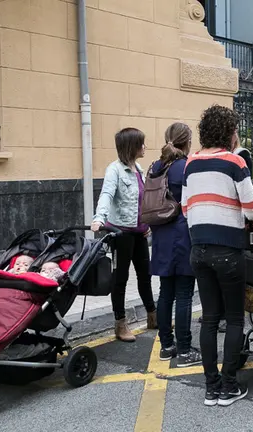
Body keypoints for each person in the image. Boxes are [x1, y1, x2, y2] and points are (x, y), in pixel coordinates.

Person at [183, 105, 253, 407]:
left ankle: (211, 387)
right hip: (228, 250)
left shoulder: (190, 164)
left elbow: (186, 208)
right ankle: (228, 386)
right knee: (234, 319)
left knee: (209, 319)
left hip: (198, 249)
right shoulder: (234, 162)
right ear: (229, 133)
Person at [91, 128, 157, 343]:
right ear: (132, 146)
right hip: (121, 233)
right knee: (121, 279)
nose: (145, 147)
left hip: (139, 232)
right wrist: (99, 218)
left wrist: (147, 222)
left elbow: (142, 200)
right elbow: (107, 194)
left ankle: (152, 317)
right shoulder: (115, 170)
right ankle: (120, 324)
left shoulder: (137, 168)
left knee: (145, 275)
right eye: (141, 144)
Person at [149, 122, 203, 367]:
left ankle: (166, 345)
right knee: (183, 294)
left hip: (160, 234)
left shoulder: (155, 166)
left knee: (165, 293)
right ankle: (184, 349)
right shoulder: (186, 167)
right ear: (187, 141)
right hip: (182, 233)